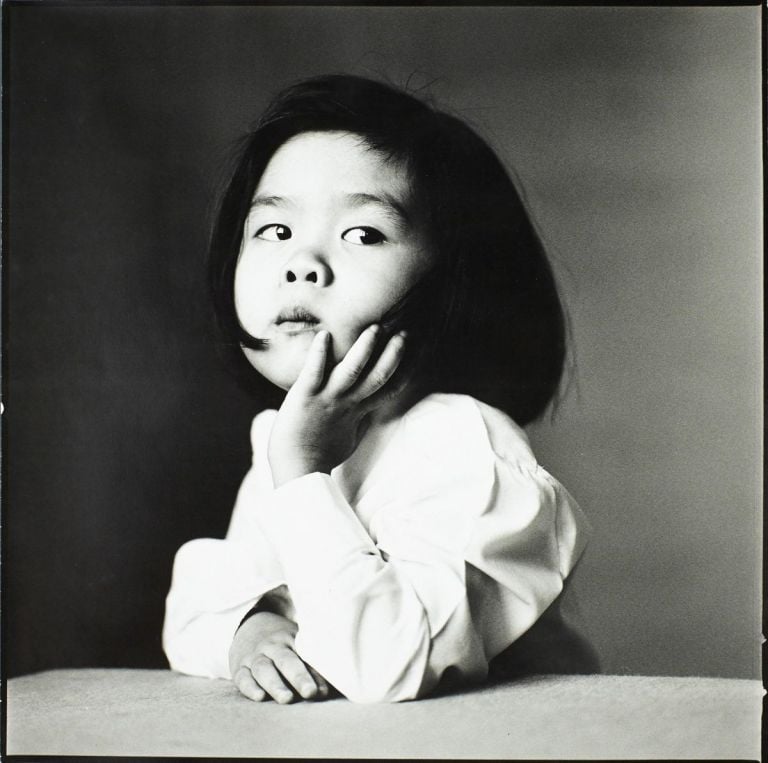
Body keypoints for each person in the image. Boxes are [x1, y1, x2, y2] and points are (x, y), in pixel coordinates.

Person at [163, 74, 599, 704]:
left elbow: (389, 670)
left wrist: (305, 474)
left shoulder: (463, 444)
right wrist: (250, 628)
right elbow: (191, 616)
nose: (302, 263)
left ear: (457, 282)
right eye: (275, 231)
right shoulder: (285, 439)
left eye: (362, 234)